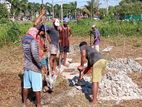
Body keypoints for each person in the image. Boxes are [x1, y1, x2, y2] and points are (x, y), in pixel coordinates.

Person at [22, 27, 47, 107]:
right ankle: (39, 104)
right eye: (36, 34)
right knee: (37, 88)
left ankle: (24, 103)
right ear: (34, 33)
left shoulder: (24, 40)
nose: (36, 35)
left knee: (26, 86)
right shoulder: (33, 41)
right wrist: (41, 65)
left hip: (26, 66)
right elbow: (35, 55)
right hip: (34, 68)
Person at [77, 41, 107, 106]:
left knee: (94, 82)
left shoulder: (83, 46)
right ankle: (96, 95)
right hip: (103, 61)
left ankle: (94, 102)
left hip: (98, 62)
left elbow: (83, 55)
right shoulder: (91, 51)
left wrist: (81, 65)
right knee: (97, 80)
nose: (81, 50)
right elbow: (88, 67)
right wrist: (82, 75)